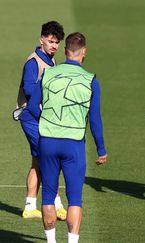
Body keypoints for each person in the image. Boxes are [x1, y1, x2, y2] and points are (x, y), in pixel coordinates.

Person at [27, 32, 107, 243]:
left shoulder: (48, 74)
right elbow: (95, 120)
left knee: (48, 196)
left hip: (48, 142)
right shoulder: (91, 81)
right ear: (84, 53)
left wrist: (48, 120)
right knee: (75, 200)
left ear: (65, 51)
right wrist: (101, 150)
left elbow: (33, 107)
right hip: (73, 145)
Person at [16, 20, 67, 220]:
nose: (54, 45)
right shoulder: (33, 62)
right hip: (30, 117)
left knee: (38, 160)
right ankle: (57, 204)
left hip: (41, 117)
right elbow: (29, 90)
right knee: (48, 159)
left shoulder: (51, 60)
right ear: (42, 40)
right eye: (51, 41)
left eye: (57, 42)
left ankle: (29, 206)